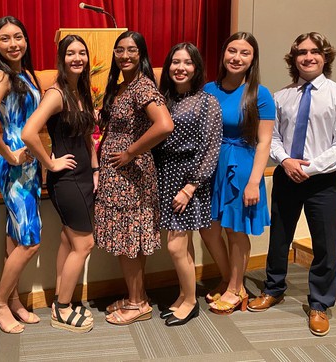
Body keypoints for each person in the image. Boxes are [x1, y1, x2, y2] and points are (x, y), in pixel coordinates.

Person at [247, 32, 336, 337]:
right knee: (279, 237)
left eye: (315, 52)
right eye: (301, 53)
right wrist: (285, 161)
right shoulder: (282, 97)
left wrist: (310, 168)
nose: (308, 57)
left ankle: (320, 304)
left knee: (324, 244)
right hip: (286, 175)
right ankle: (274, 287)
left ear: (325, 56)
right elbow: (273, 137)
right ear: (293, 59)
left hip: (323, 181)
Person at [95, 30, 174, 325]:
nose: (125, 55)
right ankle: (136, 298)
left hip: (130, 175)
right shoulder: (122, 87)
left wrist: (130, 152)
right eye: (119, 50)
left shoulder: (141, 86)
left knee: (129, 239)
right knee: (131, 241)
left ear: (141, 54)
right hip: (118, 175)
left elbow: (165, 125)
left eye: (131, 50)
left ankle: (138, 303)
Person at [22, 35, 97, 333]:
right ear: (61, 58)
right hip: (65, 180)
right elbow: (29, 132)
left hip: (82, 176)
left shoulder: (81, 90)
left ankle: (59, 301)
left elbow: (87, 135)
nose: (76, 58)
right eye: (70, 53)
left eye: (81, 53)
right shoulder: (56, 93)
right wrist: (50, 163)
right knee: (85, 242)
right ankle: (63, 309)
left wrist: (95, 169)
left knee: (69, 240)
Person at [200, 32, 275, 315]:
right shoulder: (208, 89)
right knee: (208, 228)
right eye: (232, 50)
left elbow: (265, 141)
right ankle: (228, 277)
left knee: (235, 230)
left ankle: (236, 287)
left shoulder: (260, 93)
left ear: (253, 59)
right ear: (223, 54)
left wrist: (255, 181)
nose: (237, 57)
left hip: (242, 166)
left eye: (245, 53)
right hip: (211, 165)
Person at [0, 16, 42, 334]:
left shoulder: (23, 73)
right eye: (5, 39)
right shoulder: (1, 75)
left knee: (15, 237)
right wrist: (9, 153)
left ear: (26, 40)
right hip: (15, 165)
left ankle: (14, 302)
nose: (13, 43)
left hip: (29, 163)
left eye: (18, 36)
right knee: (30, 241)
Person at [155, 42, 222, 326]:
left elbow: (211, 148)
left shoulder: (207, 102)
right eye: (175, 62)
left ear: (196, 68)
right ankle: (185, 294)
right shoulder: (164, 99)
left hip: (189, 179)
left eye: (187, 63)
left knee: (175, 247)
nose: (180, 68)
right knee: (182, 246)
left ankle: (191, 303)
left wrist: (190, 187)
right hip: (165, 174)